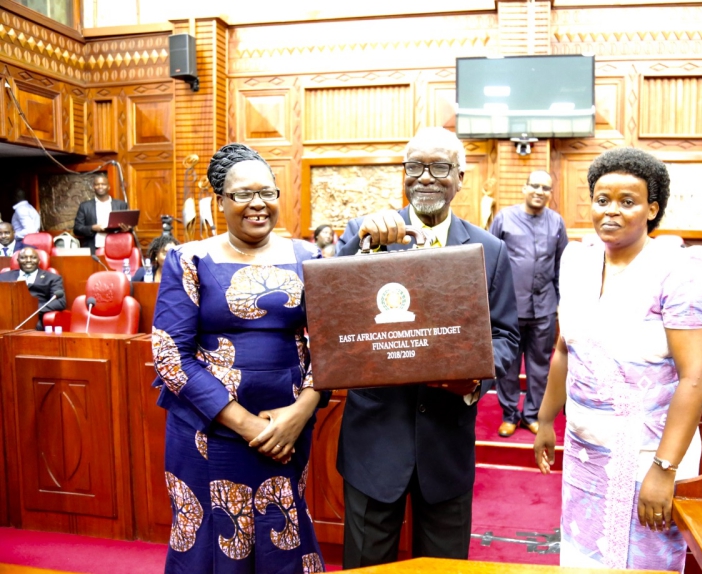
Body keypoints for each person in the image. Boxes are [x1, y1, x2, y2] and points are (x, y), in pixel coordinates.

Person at [336, 127, 520, 568]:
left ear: (460, 177)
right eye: (415, 167)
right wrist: (361, 251)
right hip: (374, 443)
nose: (425, 178)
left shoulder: (489, 250)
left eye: (439, 167)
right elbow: (331, 317)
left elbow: (507, 336)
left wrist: (472, 374)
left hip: (446, 443)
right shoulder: (366, 235)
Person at [533, 147, 702, 571]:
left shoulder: (679, 270)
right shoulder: (576, 260)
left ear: (652, 208)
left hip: (647, 453)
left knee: (640, 561)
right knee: (584, 558)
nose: (611, 212)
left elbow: (697, 377)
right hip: (584, 448)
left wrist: (664, 469)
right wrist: (546, 420)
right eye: (602, 200)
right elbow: (566, 347)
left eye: (628, 201)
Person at [151, 143, 327, 573]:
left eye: (267, 192)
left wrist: (300, 412)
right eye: (243, 194)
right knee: (212, 541)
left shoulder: (310, 259)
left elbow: (332, 345)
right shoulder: (189, 259)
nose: (257, 204)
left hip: (288, 432)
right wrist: (248, 425)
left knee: (282, 533)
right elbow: (170, 354)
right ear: (220, 202)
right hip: (207, 434)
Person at [489, 170, 567, 437]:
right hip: (508, 309)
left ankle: (532, 415)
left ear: (550, 194)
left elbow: (561, 267)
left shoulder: (556, 222)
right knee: (508, 366)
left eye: (546, 188)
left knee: (540, 366)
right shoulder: (504, 219)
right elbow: (490, 263)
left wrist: (562, 306)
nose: (539, 191)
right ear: (524, 188)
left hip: (544, 309)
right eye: (534, 186)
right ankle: (510, 415)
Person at [0, 247, 66, 330]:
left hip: (34, 318)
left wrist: (32, 310)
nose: (28, 260)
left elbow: (60, 302)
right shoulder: (3, 277)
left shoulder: (52, 278)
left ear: (39, 260)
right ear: (18, 260)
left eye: (33, 257)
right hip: (7, 316)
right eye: (23, 257)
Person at [73, 173, 130, 253]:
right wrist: (92, 228)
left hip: (117, 247)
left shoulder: (121, 205)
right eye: (97, 184)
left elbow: (130, 227)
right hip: (93, 249)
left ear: (108, 187)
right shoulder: (85, 206)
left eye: (103, 184)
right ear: (93, 187)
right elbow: (77, 229)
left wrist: (126, 229)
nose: (100, 187)